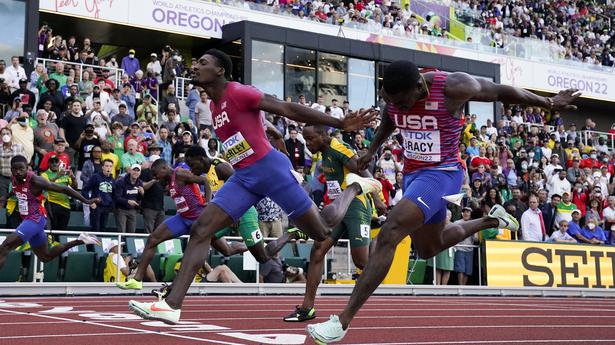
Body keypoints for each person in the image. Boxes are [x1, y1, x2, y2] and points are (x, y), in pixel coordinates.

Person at [306, 60, 580, 343]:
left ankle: (342, 321)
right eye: (393, 100)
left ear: (418, 86)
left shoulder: (453, 86)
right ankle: (492, 219)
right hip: (412, 175)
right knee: (428, 248)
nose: (400, 106)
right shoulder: (394, 97)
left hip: (443, 173)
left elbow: (500, 91)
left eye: (404, 101)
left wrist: (547, 101)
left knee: (390, 233)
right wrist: (372, 149)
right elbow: (390, 114)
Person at [128, 49, 378, 323]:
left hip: (270, 169)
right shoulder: (213, 107)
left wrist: (339, 122)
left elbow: (286, 108)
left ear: (220, 70)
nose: (195, 66)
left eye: (203, 63)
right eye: (196, 62)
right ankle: (172, 304)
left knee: (322, 231)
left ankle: (353, 187)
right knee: (201, 228)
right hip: (244, 177)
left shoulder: (239, 92)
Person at [284, 124, 385, 322]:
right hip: (338, 208)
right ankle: (307, 308)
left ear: (322, 135)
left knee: (362, 262)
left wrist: (378, 199)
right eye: (306, 139)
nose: (308, 143)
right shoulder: (323, 153)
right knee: (318, 250)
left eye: (311, 139)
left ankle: (383, 241)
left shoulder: (339, 149)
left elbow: (364, 172)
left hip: (356, 206)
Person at [0, 155, 100, 270]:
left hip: (35, 219)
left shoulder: (36, 181)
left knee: (5, 247)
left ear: (27, 168)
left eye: (21, 169)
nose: (17, 172)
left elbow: (64, 189)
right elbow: (15, 190)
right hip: (30, 221)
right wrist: (5, 197)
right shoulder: (14, 180)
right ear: (10, 169)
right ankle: (80, 240)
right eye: (14, 169)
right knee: (45, 256)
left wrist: (86, 200)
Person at [41, 155, 77, 231]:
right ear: (48, 163)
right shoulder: (44, 174)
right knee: (53, 229)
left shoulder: (65, 173)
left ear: (59, 163)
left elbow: (74, 187)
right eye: (52, 162)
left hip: (66, 205)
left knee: (62, 229)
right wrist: (57, 176)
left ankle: (60, 243)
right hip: (52, 204)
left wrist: (73, 177)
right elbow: (46, 186)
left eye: (56, 161)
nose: (54, 164)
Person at [82, 159, 115, 232]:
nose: (108, 168)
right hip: (96, 207)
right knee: (95, 228)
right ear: (102, 167)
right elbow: (85, 190)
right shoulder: (96, 177)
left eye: (110, 166)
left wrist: (111, 206)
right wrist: (90, 202)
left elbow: (113, 195)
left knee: (103, 229)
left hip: (106, 207)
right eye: (106, 166)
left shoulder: (112, 180)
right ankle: (93, 243)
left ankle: (100, 243)